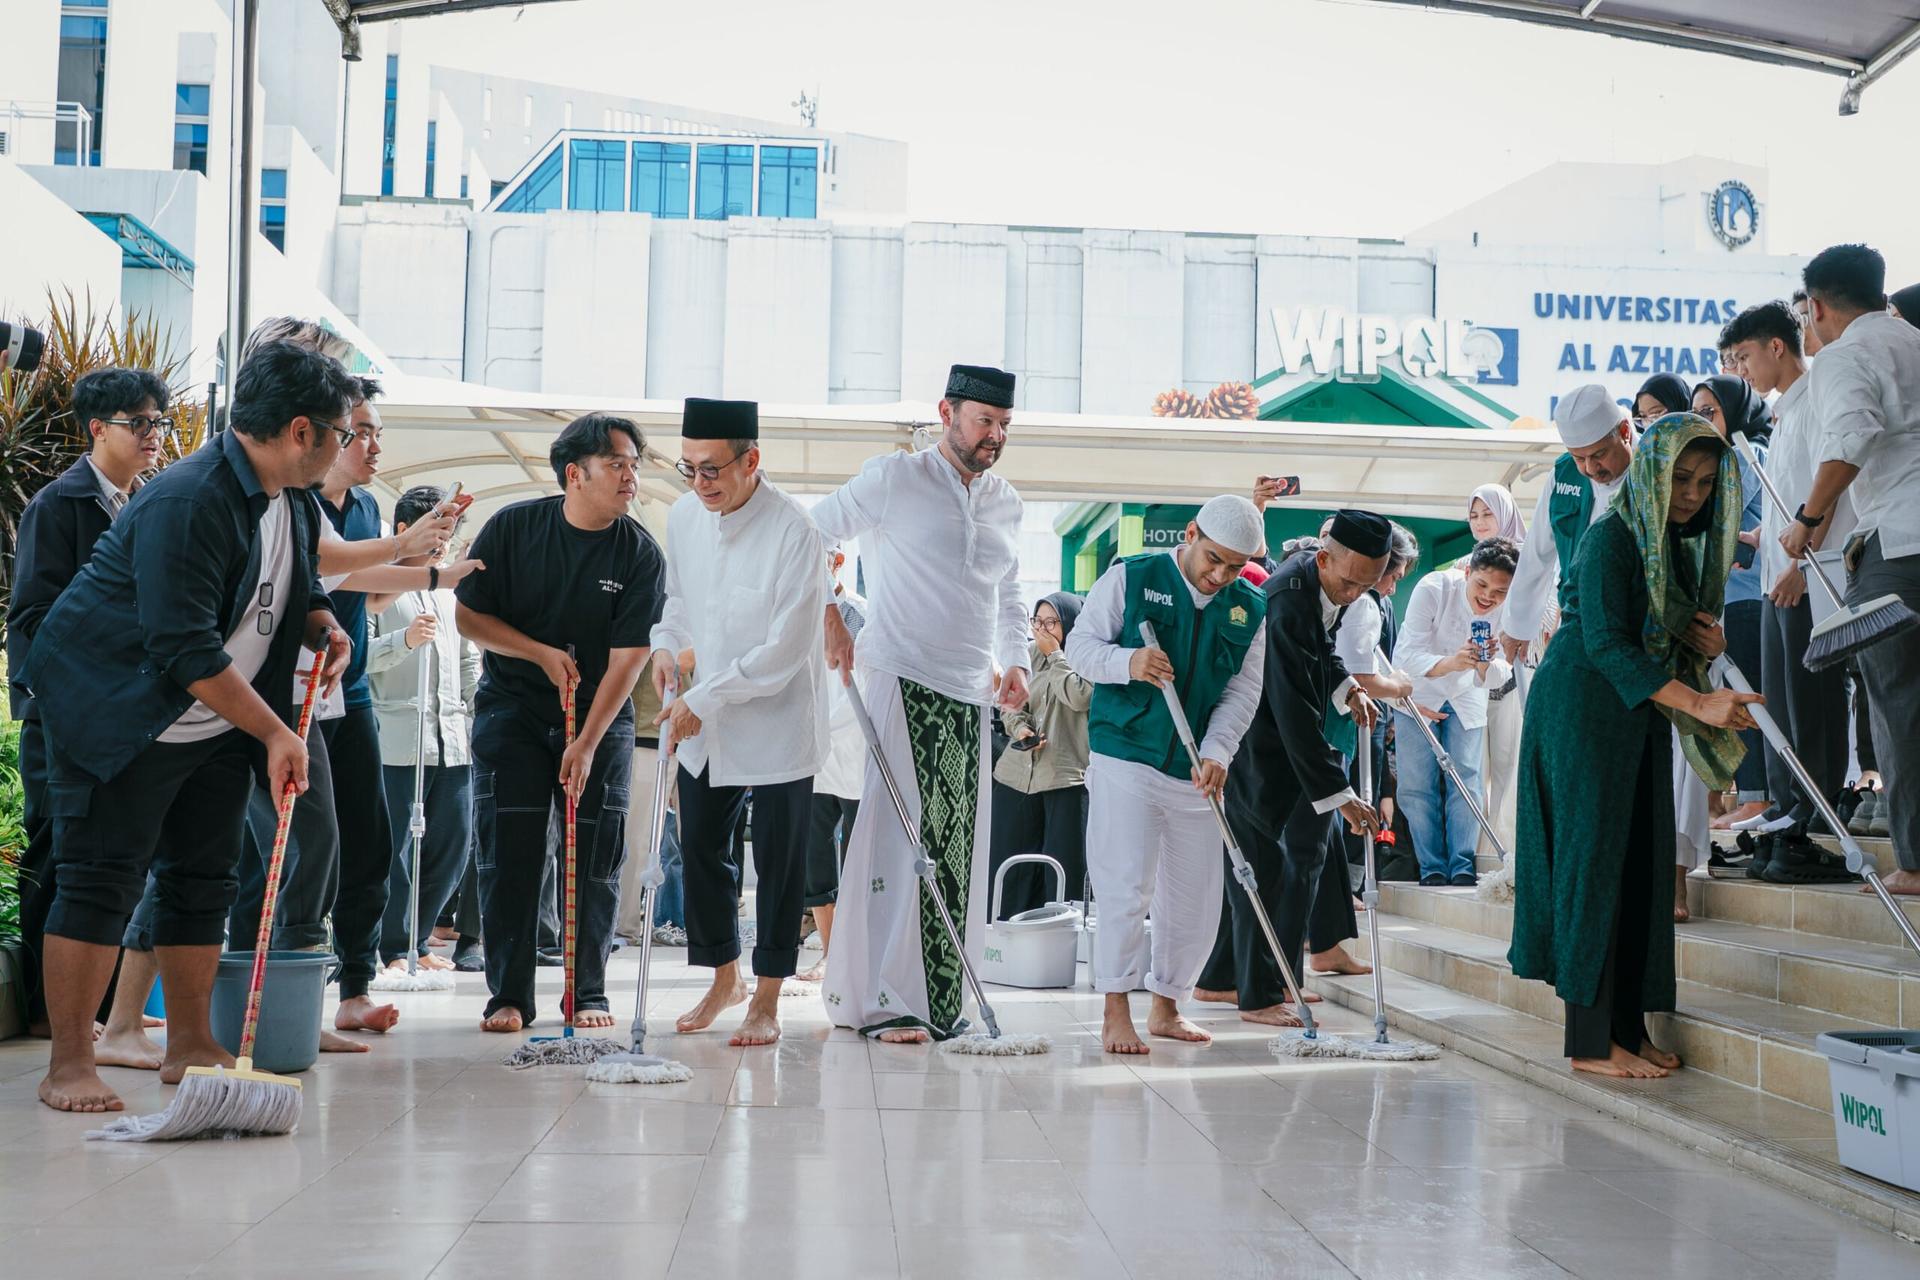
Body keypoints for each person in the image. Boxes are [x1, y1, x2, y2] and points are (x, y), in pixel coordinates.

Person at [21, 340, 355, 1112]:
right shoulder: (189, 496)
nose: (345, 447)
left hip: (211, 721)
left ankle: (192, 1043)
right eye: (340, 432)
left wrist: (321, 625)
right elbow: (181, 647)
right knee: (100, 882)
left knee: (204, 878)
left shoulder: (294, 498)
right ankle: (71, 1062)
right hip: (118, 712)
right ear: (300, 430)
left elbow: (293, 584)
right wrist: (276, 731)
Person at [1510, 414, 1760, 1079]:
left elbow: (1660, 629)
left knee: (1641, 865)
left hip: (1638, 709)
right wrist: (1701, 701)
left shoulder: (1670, 541)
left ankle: (1629, 1025)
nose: (1691, 494)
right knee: (1595, 865)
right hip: (1582, 709)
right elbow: (1607, 643)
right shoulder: (1612, 537)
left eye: (1706, 483)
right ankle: (1591, 1042)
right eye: (1679, 477)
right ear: (1650, 469)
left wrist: (1704, 644)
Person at [813, 364, 1030, 1044]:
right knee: (897, 846)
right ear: (947, 412)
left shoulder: (1006, 501)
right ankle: (885, 1000)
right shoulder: (894, 477)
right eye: (983, 421)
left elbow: (1011, 594)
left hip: (972, 694)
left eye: (1003, 425)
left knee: (953, 851)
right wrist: (829, 615)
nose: (993, 435)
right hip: (900, 678)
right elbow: (812, 533)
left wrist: (1017, 660)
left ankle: (938, 1000)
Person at [456, 414, 665, 1032]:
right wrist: (539, 653)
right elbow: (470, 619)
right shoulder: (512, 529)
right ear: (575, 474)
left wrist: (586, 742)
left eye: (635, 465)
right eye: (618, 465)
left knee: (596, 856)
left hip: (601, 715)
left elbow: (630, 661)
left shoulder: (638, 552)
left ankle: (588, 992)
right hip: (513, 710)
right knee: (511, 853)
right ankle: (510, 995)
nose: (631, 477)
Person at [648, 398, 831, 1049]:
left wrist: (705, 700)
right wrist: (666, 648)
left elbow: (782, 653)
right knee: (700, 847)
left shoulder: (795, 532)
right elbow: (678, 604)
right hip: (710, 725)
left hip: (778, 722)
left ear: (751, 460)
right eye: (689, 469)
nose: (701, 484)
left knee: (780, 867)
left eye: (713, 470)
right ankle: (724, 976)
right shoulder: (685, 518)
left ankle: (767, 997)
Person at [9, 366, 169, 1056]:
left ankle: (103, 1011)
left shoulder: (151, 501)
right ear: (99, 429)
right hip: (66, 710)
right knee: (58, 853)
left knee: (113, 856)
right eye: (142, 424)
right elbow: (34, 615)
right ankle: (51, 1015)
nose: (155, 437)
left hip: (124, 708)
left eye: (159, 423)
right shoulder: (60, 502)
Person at [1069, 496, 1267, 1053]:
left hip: (1195, 770)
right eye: (1214, 558)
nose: (1220, 575)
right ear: (1190, 533)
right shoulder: (1131, 577)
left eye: (1234, 566)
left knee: (1196, 899)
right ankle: (1115, 1008)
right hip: (1125, 754)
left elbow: (1240, 691)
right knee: (1126, 886)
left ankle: (1167, 1005)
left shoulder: (1249, 607)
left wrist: (1220, 751)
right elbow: (1080, 647)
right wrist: (1127, 662)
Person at [1781, 244, 1920, 897]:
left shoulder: (1843, 355)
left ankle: (1916, 863)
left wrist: (1807, 519)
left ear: (1817, 306)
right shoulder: (1913, 340)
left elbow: (1850, 437)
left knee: (1901, 703)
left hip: (1897, 543)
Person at [1216, 511, 1386, 1028]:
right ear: (1324, 557)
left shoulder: (1322, 587)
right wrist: (1340, 791)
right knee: (1261, 872)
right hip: (1258, 747)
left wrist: (1347, 687)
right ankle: (1261, 996)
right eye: (1350, 581)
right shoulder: (1287, 598)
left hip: (1277, 741)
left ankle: (1221, 979)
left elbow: (1323, 651)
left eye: (1368, 585)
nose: (1355, 593)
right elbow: (1293, 709)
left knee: (1264, 867)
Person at [367, 485, 482, 979]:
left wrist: (482, 712)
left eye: (448, 535)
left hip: (453, 741)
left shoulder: (450, 591)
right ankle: (391, 945)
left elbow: (468, 659)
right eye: (435, 532)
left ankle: (418, 937)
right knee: (395, 850)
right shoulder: (376, 587)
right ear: (402, 532)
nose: (442, 545)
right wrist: (404, 640)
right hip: (396, 739)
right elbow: (358, 657)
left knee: (453, 844)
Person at [1392, 538, 1519, 886]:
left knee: (1468, 780)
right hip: (1418, 695)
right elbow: (1405, 656)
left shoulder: (1508, 610)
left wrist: (1484, 664)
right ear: (1467, 572)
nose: (1488, 597)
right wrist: (1451, 662)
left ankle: (1462, 863)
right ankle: (1430, 864)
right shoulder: (1433, 588)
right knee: (1417, 785)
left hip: (1468, 696)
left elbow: (1502, 673)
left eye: (1499, 591)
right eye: (1482, 584)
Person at [1499, 384, 1635, 664]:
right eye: (1579, 457)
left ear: (1624, 432)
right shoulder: (1564, 475)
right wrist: (1517, 626)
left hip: (1635, 622)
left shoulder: (1654, 467)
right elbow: (1537, 552)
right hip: (1578, 619)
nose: (1589, 469)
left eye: (1598, 455)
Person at [1693, 378, 1773, 839]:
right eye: (1696, 412)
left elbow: (1720, 514)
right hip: (1731, 596)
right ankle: (1753, 794)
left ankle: (1758, 796)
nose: (1701, 421)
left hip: (1748, 592)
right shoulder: (1724, 457)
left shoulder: (1743, 454)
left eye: (1710, 412)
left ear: (1735, 413)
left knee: (1749, 696)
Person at [990, 592, 1092, 920]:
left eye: (1052, 623)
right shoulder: (1030, 657)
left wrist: (1057, 656)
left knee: (1063, 872)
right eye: (1037, 622)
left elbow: (1078, 697)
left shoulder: (1086, 659)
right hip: (1016, 776)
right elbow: (1011, 705)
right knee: (1008, 868)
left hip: (1065, 779)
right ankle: (1004, 945)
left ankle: (1060, 951)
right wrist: (1020, 729)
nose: (1043, 630)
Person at [797, 549, 867, 982]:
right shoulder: (797, 613)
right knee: (814, 853)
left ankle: (856, 953)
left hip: (854, 752)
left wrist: (819, 729)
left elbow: (861, 683)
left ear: (837, 561)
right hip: (813, 758)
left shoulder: (859, 614)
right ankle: (829, 951)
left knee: (858, 855)